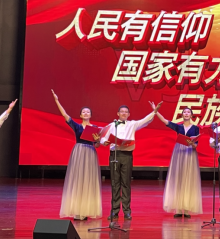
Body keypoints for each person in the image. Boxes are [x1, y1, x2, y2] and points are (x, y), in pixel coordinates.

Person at [101, 102, 162, 221]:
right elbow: (103, 137)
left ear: (129, 114)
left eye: (126, 112)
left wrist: (154, 111)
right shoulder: (112, 125)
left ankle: (127, 211)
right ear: (118, 113)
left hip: (127, 155)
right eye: (122, 112)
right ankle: (114, 211)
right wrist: (104, 142)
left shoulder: (132, 124)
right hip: (114, 155)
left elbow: (145, 120)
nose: (124, 113)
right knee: (115, 183)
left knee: (126, 183)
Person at [52, 90, 103, 221]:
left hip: (90, 153)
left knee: (88, 181)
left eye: (88, 112)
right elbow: (65, 115)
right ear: (80, 115)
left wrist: (97, 140)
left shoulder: (95, 128)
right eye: (83, 112)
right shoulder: (77, 126)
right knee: (78, 180)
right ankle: (76, 210)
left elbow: (97, 145)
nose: (86, 113)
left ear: (90, 115)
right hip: (79, 152)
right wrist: (57, 100)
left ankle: (86, 210)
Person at [156, 107, 202, 219]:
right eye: (184, 112)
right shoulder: (178, 126)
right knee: (178, 179)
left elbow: (196, 145)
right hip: (179, 152)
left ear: (191, 115)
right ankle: (178, 209)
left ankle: (186, 209)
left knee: (188, 179)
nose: (186, 113)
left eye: (188, 112)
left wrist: (193, 144)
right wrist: (156, 111)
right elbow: (165, 121)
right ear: (182, 115)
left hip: (190, 153)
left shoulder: (195, 128)